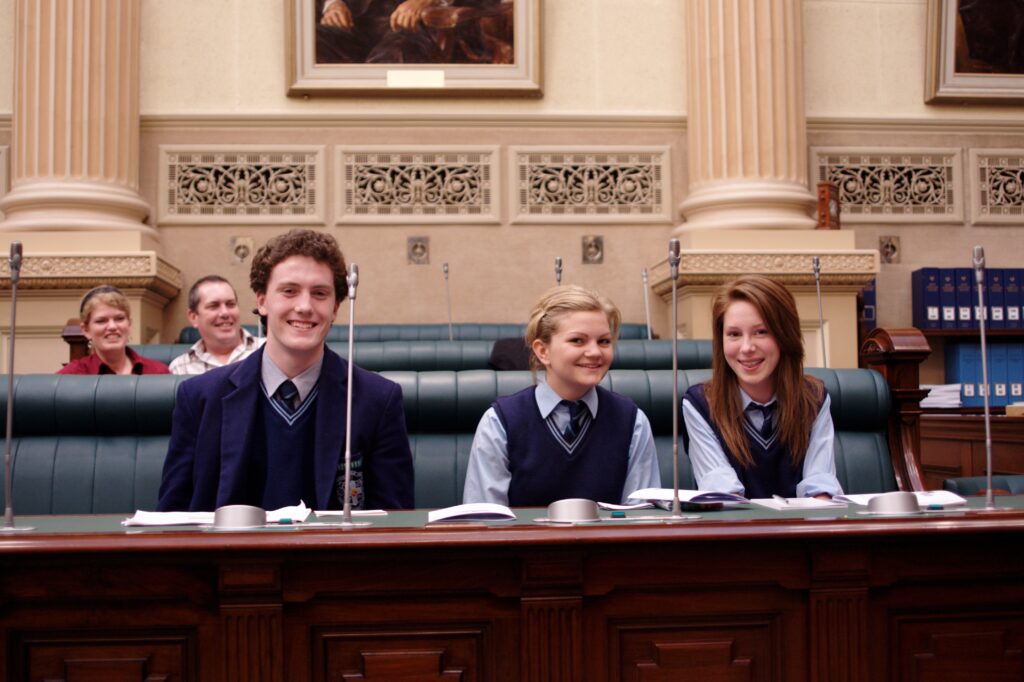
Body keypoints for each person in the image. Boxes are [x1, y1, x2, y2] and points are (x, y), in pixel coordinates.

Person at [157, 229, 414, 512]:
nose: (304, 307)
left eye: (319, 294)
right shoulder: (199, 399)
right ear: (262, 301)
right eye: (289, 291)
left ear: (336, 308)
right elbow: (172, 521)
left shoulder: (378, 400)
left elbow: (395, 525)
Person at [463, 285, 661, 506]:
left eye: (604, 341)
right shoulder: (499, 422)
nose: (595, 352)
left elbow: (643, 521)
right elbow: (485, 524)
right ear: (542, 351)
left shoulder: (633, 422)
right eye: (578, 340)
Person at [682, 275, 843, 499]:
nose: (747, 347)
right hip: (736, 530)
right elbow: (723, 493)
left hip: (803, 530)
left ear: (785, 336)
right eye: (734, 334)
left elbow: (820, 486)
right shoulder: (699, 404)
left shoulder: (814, 398)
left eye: (761, 332)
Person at [59, 286, 170, 375]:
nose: (112, 326)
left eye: (119, 319)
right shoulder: (71, 376)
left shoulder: (158, 372)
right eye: (101, 321)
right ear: (86, 330)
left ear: (129, 324)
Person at [169, 275, 264, 375]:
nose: (225, 313)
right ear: (193, 317)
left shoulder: (269, 350)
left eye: (230, 304)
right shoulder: (180, 368)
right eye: (213, 306)